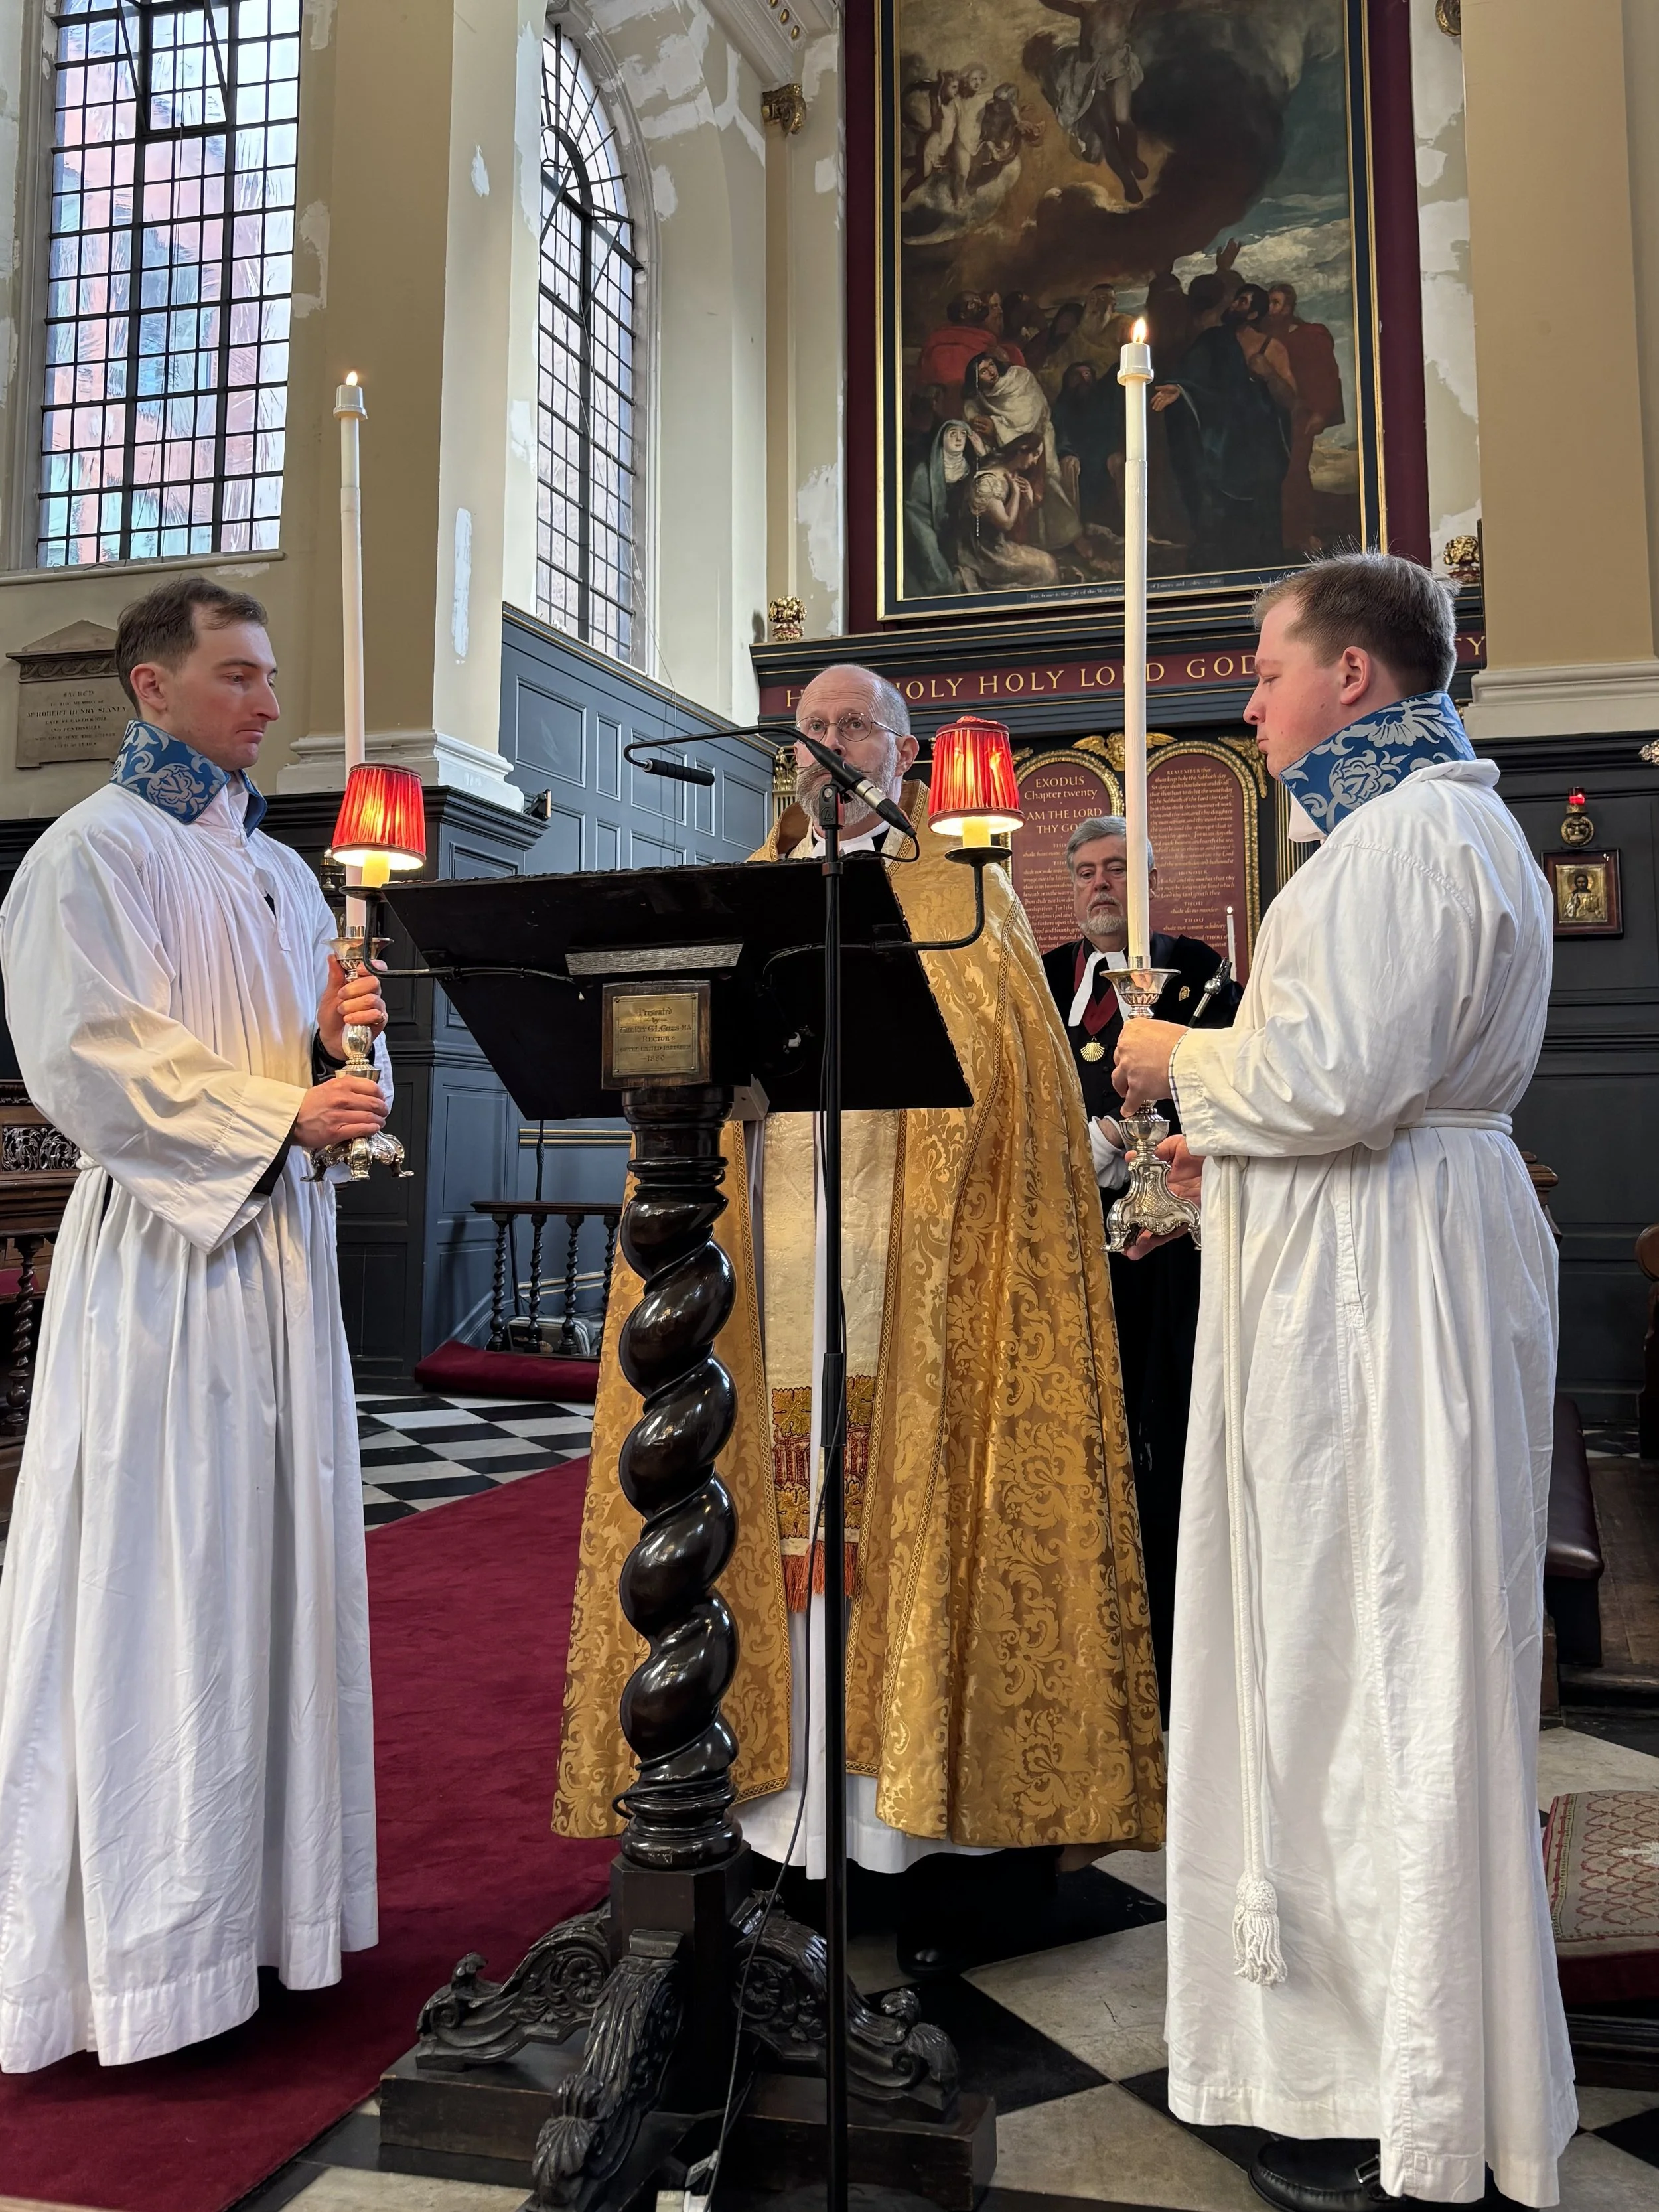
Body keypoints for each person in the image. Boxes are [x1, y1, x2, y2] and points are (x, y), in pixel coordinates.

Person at [555, 664, 1165, 1964]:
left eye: (855, 730)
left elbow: (1012, 1100)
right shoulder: (740, 894)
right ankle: (768, 1815)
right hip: (763, 1255)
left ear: (904, 754)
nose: (829, 747)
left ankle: (900, 1827)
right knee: (759, 1510)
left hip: (916, 1272)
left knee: (893, 1510)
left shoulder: (964, 894)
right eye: (811, 728)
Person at [1113, 553, 1575, 2208]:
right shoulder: (1435, 828)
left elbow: (1335, 1077)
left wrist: (1175, 1058)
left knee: (1381, 1658)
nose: (1245, 701)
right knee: (1358, 1654)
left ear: (1355, 680)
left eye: (1264, 667)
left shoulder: (1403, 838)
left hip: (1388, 1288)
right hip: (1387, 1258)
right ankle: (1353, 2065)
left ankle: (1410, 2097)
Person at [0, 575, 391, 2071]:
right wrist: (276, 1106)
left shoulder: (282, 876)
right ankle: (148, 1953)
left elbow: (325, 1090)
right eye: (237, 675)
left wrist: (339, 1064)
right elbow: (89, 1060)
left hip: (280, 1264)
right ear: (151, 690)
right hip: (163, 1271)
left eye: (273, 675)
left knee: (270, 1577)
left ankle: (267, 1915)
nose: (271, 703)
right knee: (163, 1579)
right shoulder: (86, 857)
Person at [1040, 818, 1239, 1709]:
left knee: (1162, 1439)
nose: (1101, 885)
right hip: (1057, 1249)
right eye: (1085, 872)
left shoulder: (1203, 974)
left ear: (1153, 878)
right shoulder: (1040, 981)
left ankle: (1169, 1650)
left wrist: (1126, 1137)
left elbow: (1226, 1089)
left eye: (1119, 869)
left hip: (1165, 1257)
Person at [1152, 277, 1290, 571]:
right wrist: (1180, 388)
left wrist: (1269, 375)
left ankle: (1264, 568)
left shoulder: (1271, 348)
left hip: (1259, 440)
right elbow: (1194, 375)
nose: (1233, 305)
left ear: (1254, 314)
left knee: (1262, 509)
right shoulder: (1213, 339)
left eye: (1242, 302)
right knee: (1212, 500)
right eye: (1235, 299)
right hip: (1220, 437)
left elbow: (1291, 399)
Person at [1265, 282, 1345, 553]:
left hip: (1300, 416)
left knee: (1294, 473)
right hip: (1272, 419)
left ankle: (1301, 534)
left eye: (1276, 303)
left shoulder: (1309, 335)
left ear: (1288, 307)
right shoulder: (1261, 337)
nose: (1271, 308)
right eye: (1269, 302)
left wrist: (1321, 412)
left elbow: (1326, 376)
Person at [913, 292, 1025, 398]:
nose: (981, 305)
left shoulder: (985, 338)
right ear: (962, 315)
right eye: (973, 304)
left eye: (980, 301)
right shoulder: (944, 344)